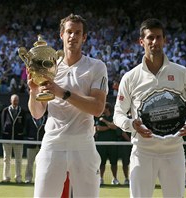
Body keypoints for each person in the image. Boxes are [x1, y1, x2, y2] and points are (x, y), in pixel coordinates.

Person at [113, 18, 186, 198]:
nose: (154, 42)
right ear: (141, 41)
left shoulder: (181, 72)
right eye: (150, 37)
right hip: (142, 151)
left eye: (158, 37)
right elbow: (118, 114)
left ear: (165, 40)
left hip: (174, 150)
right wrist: (131, 125)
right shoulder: (130, 77)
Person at [27, 14, 108, 197]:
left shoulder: (96, 66)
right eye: (69, 32)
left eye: (77, 32)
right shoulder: (47, 67)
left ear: (84, 37)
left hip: (83, 143)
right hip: (53, 143)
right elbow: (37, 113)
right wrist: (33, 92)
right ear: (61, 35)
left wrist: (62, 93)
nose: (73, 36)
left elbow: (97, 108)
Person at [1, 94, 26, 183]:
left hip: (18, 138)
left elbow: (23, 124)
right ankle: (6, 177)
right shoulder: (5, 110)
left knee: (18, 159)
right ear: (10, 101)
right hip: (7, 138)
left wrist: (20, 133)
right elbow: (3, 123)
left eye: (17, 100)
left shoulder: (22, 111)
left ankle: (18, 177)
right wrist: (5, 133)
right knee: (6, 159)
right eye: (14, 100)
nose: (15, 102)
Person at [95, 102, 119, 185]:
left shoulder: (114, 117)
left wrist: (105, 121)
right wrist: (110, 126)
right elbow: (98, 128)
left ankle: (115, 179)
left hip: (113, 143)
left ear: (107, 108)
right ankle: (101, 179)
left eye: (103, 107)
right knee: (102, 163)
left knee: (114, 163)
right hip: (102, 143)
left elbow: (115, 127)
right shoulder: (99, 117)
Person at [24, 112, 46, 184]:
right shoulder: (29, 119)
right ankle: (28, 178)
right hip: (31, 144)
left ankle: (40, 179)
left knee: (41, 164)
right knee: (29, 163)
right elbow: (26, 130)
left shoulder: (45, 119)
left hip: (41, 145)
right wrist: (30, 139)